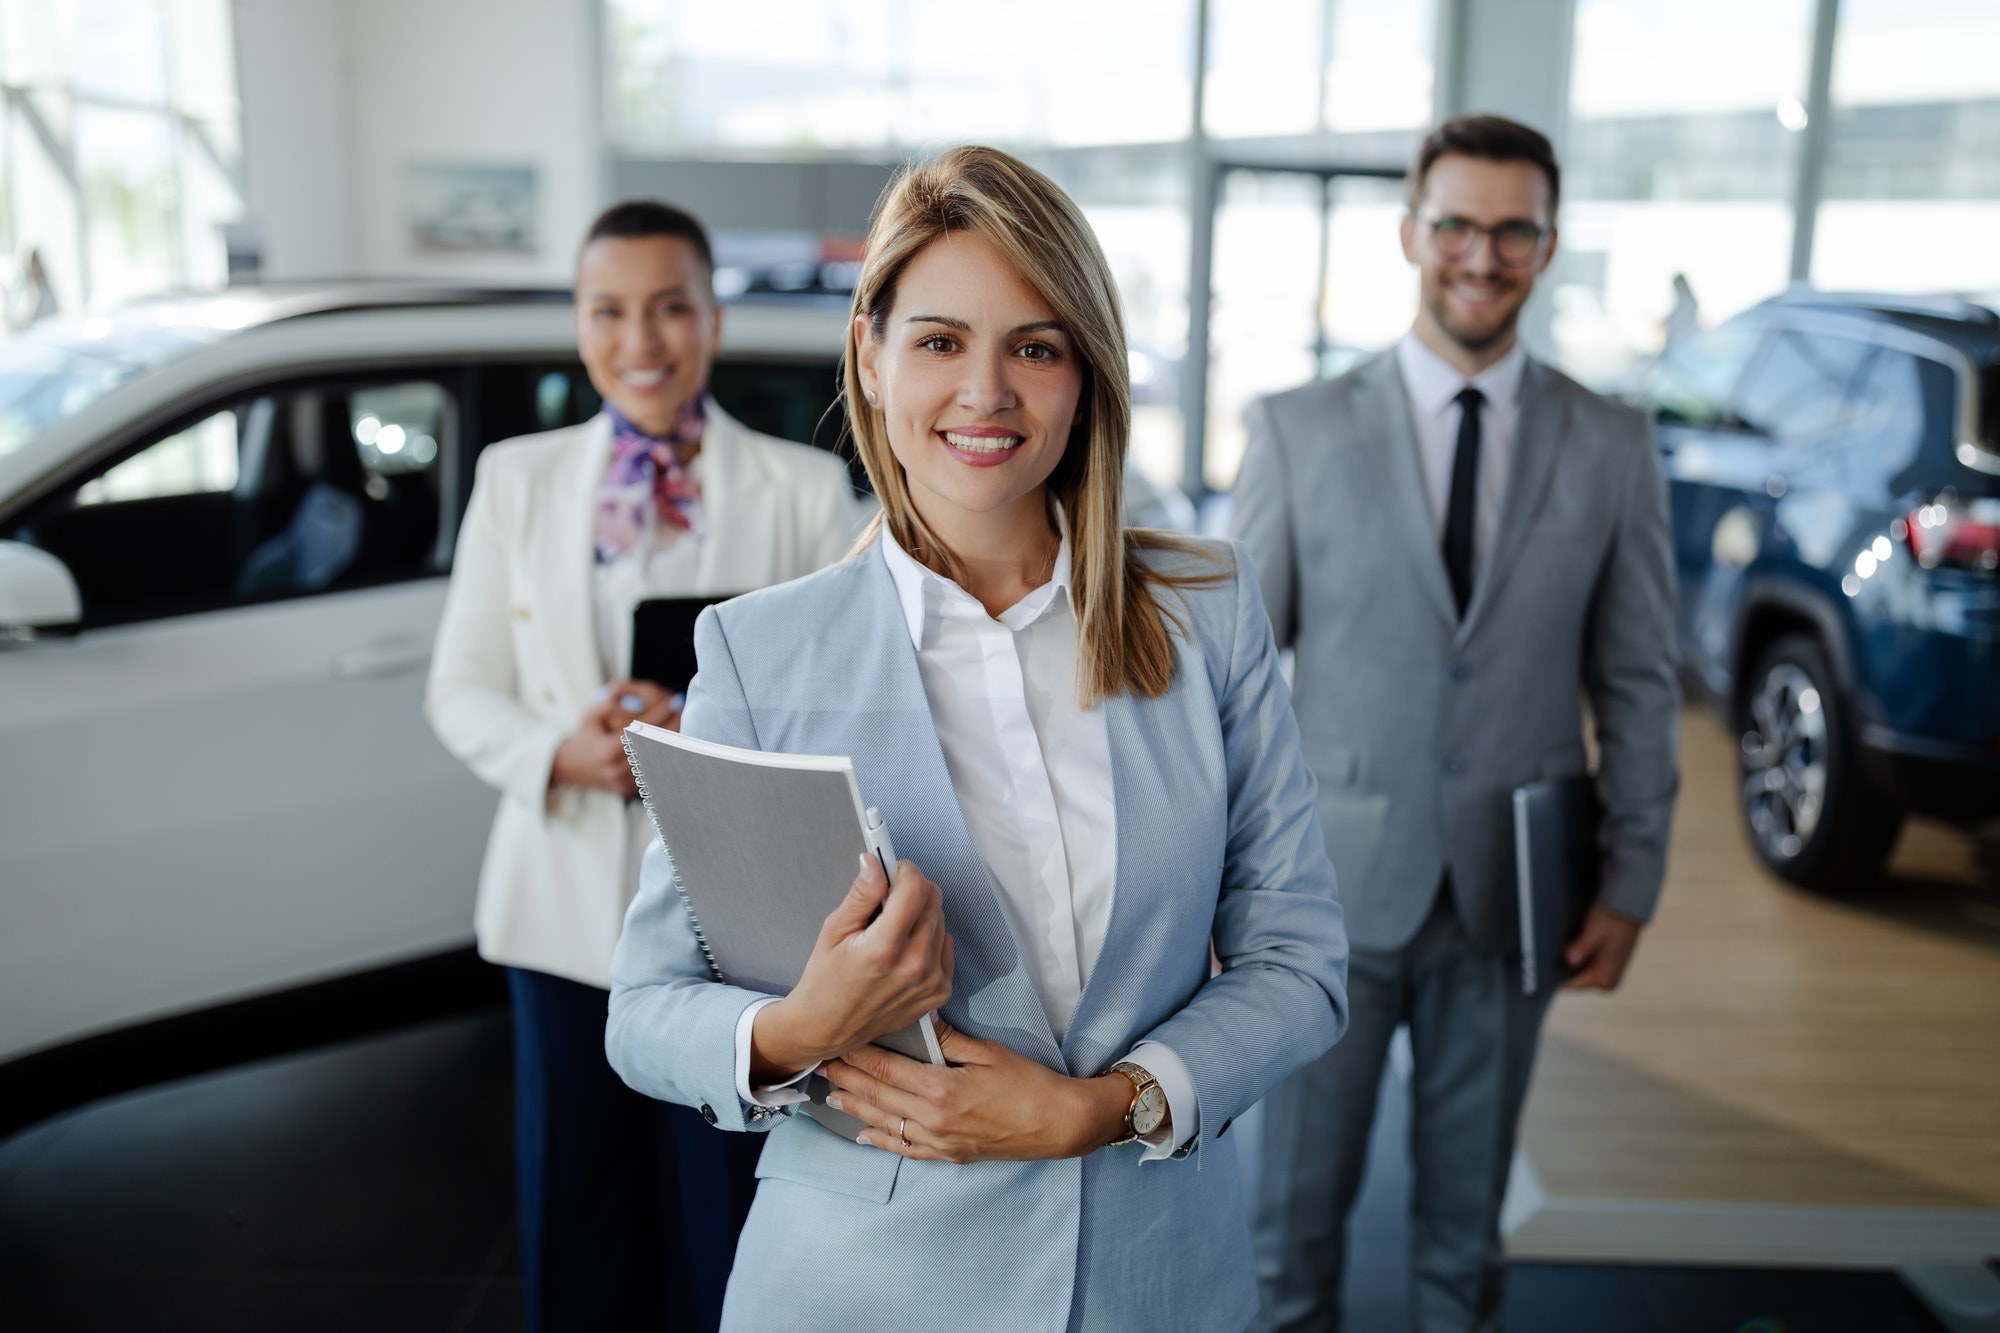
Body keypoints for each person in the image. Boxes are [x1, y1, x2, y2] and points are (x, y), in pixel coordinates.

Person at [605, 145, 1350, 1332]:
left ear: (1086, 375)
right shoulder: (761, 653)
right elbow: (645, 1012)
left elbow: (1299, 961)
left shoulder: (1204, 611)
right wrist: (803, 1024)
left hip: (1149, 1278)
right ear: (872, 355)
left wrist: (1104, 1107)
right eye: (941, 341)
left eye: (1035, 347)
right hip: (861, 1284)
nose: (986, 392)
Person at [1230, 114, 1679, 1332]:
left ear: (1544, 243)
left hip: (1516, 886)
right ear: (1409, 232)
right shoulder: (1295, 428)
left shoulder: (1610, 441)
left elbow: (1638, 679)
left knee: (1461, 1239)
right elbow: (1225, 676)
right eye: (1456, 226)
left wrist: (1630, 879)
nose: (1479, 255)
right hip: (1320, 895)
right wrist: (1214, 882)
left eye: (1510, 230)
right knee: (1286, 1233)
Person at [425, 199, 867, 1331]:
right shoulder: (516, 481)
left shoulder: (802, 491)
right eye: (609, 310)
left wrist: (700, 733)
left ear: (711, 319)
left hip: (734, 916)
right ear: (578, 326)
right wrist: (561, 750)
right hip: (560, 904)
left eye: (671, 307)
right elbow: (460, 687)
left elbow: (841, 697)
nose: (642, 340)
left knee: (723, 1204)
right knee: (577, 1196)